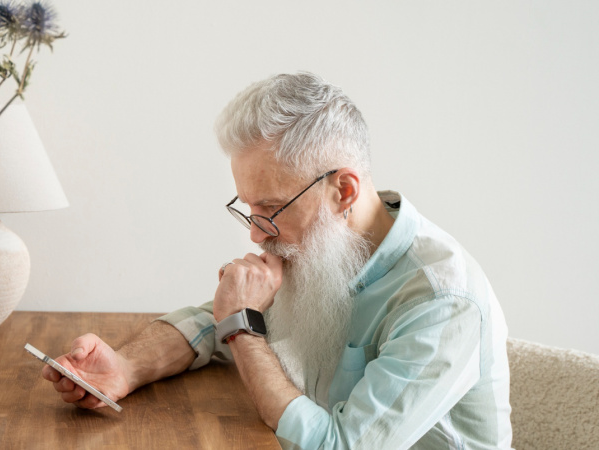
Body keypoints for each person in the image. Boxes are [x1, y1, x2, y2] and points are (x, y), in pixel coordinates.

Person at [41, 72, 512, 449]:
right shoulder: (324, 242)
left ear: (342, 190)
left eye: (271, 209)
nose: (254, 231)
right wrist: (126, 367)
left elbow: (338, 445)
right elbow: (214, 322)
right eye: (248, 208)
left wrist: (243, 327)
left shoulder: (442, 300)